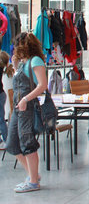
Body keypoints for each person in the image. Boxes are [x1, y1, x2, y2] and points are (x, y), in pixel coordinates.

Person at [5, 33, 47, 193]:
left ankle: (33, 181)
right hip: (18, 108)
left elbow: (42, 85)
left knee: (27, 143)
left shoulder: (35, 61)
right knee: (12, 144)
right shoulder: (25, 62)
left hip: (27, 107)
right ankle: (33, 175)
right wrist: (16, 65)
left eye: (17, 45)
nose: (14, 49)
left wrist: (25, 100)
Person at [0, 51, 14, 150]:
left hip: (0, 95)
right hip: (2, 95)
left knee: (1, 120)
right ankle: (6, 140)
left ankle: (7, 141)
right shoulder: (2, 69)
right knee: (1, 119)